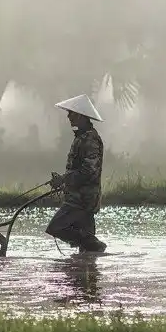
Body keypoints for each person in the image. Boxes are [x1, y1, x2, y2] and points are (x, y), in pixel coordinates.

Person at [46, 94, 108, 253]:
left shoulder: (90, 140)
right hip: (78, 197)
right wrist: (64, 180)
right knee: (86, 254)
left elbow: (89, 171)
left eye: (71, 113)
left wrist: (63, 179)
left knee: (56, 227)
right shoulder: (81, 137)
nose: (68, 116)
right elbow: (78, 169)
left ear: (80, 115)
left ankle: (95, 245)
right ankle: (91, 251)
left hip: (82, 200)